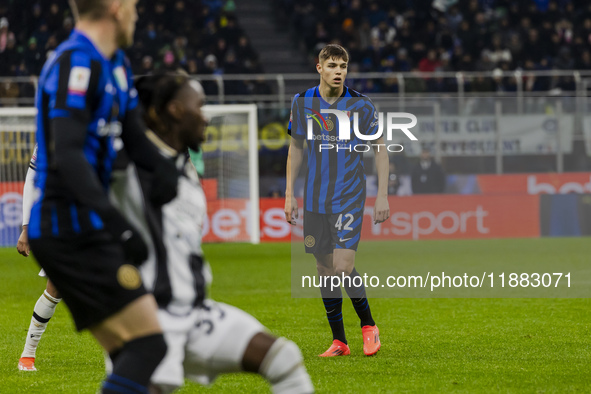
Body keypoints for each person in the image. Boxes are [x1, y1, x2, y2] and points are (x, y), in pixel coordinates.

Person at [109, 72, 314, 393]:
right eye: (199, 106)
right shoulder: (128, 165)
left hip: (195, 312)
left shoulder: (183, 168)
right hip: (150, 319)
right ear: (176, 110)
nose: (206, 117)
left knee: (282, 358)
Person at [27, 1, 179, 392]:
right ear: (115, 7)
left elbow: (133, 136)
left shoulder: (116, 63)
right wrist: (118, 225)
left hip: (87, 229)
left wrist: (165, 171)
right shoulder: (73, 63)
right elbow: (68, 154)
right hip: (68, 231)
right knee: (149, 346)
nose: (137, 14)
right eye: (133, 6)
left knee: (140, 359)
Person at [284, 44, 390, 357]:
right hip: (314, 198)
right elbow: (296, 149)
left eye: (342, 65)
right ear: (319, 68)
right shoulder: (302, 102)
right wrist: (289, 194)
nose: (338, 71)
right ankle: (339, 341)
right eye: (332, 65)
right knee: (323, 267)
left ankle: (369, 326)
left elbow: (380, 148)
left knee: (343, 266)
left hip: (349, 196)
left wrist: (382, 194)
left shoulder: (360, 104)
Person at [16, 147, 62, 372]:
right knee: (56, 287)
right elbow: (31, 177)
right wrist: (26, 227)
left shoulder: (108, 124)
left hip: (102, 216)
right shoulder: (52, 126)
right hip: (62, 217)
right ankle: (28, 354)